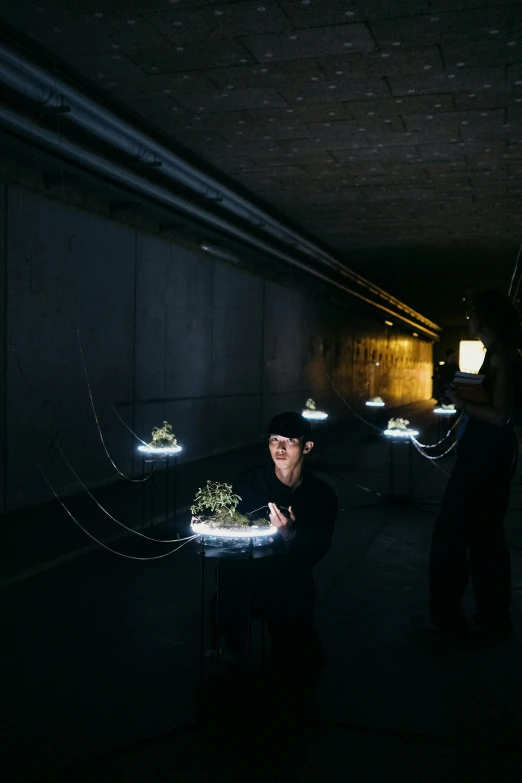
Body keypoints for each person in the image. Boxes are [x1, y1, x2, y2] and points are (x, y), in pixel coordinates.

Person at [210, 411, 338, 677]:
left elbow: (318, 549)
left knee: (303, 667)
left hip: (290, 584)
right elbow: (231, 532)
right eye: (274, 440)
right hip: (246, 579)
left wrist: (290, 534)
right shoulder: (249, 481)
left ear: (307, 446)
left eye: (289, 441)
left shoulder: (321, 495)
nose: (279, 448)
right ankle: (232, 645)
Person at [429, 290, 522, 636]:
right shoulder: (499, 354)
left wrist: (462, 401)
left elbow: (499, 416)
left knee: (452, 534)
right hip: (489, 455)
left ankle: (449, 617)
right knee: (485, 536)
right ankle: (492, 617)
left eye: (472, 314)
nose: (468, 320)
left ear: (487, 319)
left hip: (486, 457)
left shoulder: (503, 357)